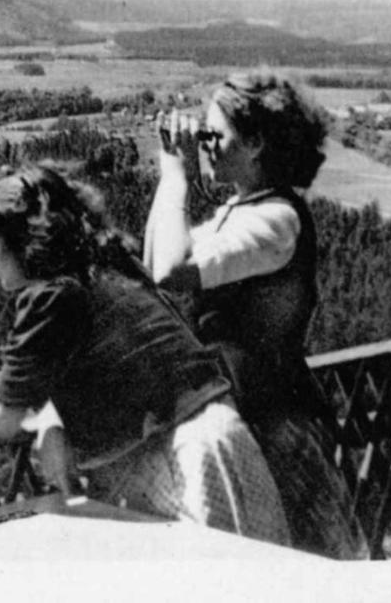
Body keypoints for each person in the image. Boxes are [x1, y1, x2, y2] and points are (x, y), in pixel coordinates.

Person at [0, 162, 290, 545]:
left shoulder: (48, 298)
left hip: (181, 461)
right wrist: (56, 414)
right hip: (221, 436)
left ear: (24, 243)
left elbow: (2, 421)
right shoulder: (110, 263)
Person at [144, 71, 367, 559]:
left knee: (305, 564)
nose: (205, 146)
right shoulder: (239, 211)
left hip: (274, 425)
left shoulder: (277, 219)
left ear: (257, 144)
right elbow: (154, 261)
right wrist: (171, 176)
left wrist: (175, 174)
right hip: (240, 419)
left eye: (215, 136)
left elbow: (171, 270)